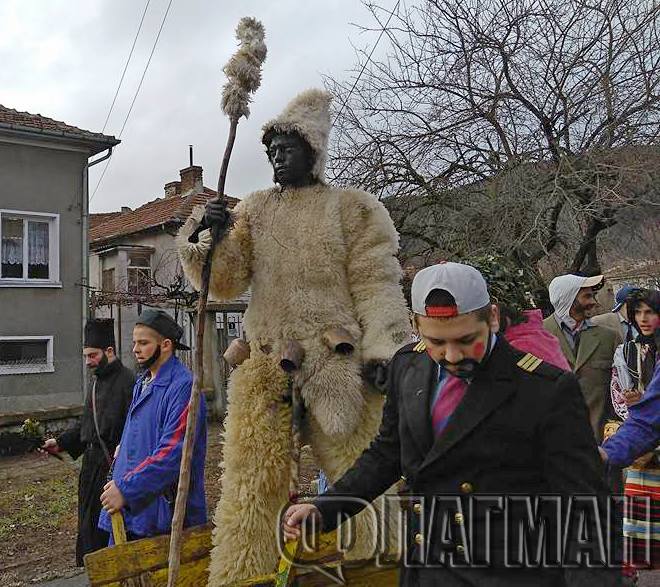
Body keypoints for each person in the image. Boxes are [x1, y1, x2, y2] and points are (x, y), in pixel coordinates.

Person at [177, 88, 411, 583]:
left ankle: (381, 574)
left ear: (313, 150)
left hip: (339, 365)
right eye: (270, 152)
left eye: (286, 149)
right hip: (265, 363)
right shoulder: (256, 209)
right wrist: (208, 236)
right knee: (248, 487)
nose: (276, 158)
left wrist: (385, 348)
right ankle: (243, 577)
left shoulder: (352, 208)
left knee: (360, 481)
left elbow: (375, 281)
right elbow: (225, 280)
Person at [283, 262, 618, 587]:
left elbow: (584, 508)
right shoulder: (407, 367)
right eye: (437, 343)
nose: (453, 356)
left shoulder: (544, 389)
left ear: (493, 318)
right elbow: (388, 454)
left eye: (465, 339)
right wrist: (325, 507)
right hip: (429, 567)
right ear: (416, 325)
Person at [97, 309, 207, 542]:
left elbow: (173, 453)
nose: (135, 349)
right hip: (131, 513)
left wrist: (127, 489)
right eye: (134, 342)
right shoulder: (143, 382)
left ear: (165, 345)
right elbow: (138, 433)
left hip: (162, 518)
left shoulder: (184, 388)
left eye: (143, 343)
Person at [41, 319, 134, 565]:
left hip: (114, 473)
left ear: (110, 351)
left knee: (109, 533)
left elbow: (133, 433)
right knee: (88, 529)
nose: (88, 361)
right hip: (90, 470)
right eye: (86, 355)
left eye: (92, 355)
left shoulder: (129, 383)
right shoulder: (95, 383)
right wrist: (60, 442)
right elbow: (88, 426)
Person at [605, 290, 660, 576]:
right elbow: (647, 419)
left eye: (649, 311)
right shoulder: (635, 350)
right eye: (637, 312)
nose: (643, 319)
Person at [543, 273, 621, 440]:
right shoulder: (538, 336)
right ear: (568, 298)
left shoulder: (609, 337)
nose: (593, 302)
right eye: (587, 296)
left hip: (599, 444)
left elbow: (618, 393)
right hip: (551, 444)